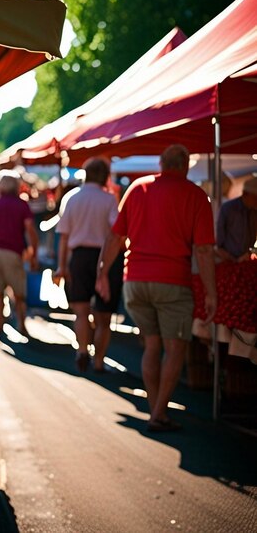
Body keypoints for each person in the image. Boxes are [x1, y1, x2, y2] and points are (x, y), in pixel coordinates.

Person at [95, 144, 217, 432]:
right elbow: (204, 250)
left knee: (151, 345)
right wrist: (211, 292)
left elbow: (115, 239)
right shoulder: (196, 196)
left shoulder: (138, 188)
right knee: (175, 349)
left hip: (134, 280)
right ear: (186, 165)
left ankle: (156, 410)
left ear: (161, 163)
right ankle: (158, 413)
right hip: (172, 281)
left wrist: (102, 273)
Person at [53, 157, 124, 373]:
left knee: (81, 310)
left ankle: (82, 350)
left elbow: (64, 237)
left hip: (80, 257)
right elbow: (118, 231)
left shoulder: (71, 198)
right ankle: (100, 360)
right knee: (104, 315)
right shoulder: (109, 199)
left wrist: (61, 266)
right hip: (106, 258)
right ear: (105, 176)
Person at [0, 169, 39, 337]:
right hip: (13, 253)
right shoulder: (22, 205)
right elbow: (30, 231)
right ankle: (22, 325)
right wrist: (34, 253)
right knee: (19, 293)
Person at [215, 176, 257, 263]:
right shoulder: (228, 209)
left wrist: (248, 253)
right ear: (245, 194)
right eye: (255, 198)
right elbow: (219, 244)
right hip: (227, 260)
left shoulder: (254, 212)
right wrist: (233, 259)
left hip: (245, 260)